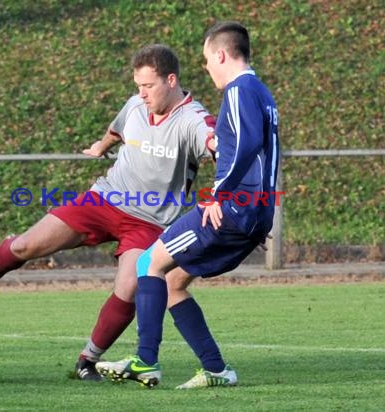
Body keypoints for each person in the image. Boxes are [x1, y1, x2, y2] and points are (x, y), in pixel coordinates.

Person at [0, 44, 216, 382]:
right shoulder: (136, 105)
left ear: (171, 80)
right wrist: (100, 146)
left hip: (151, 222)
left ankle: (87, 360)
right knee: (25, 245)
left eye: (148, 86)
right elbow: (117, 129)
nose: (141, 94)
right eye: (137, 86)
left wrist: (218, 194)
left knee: (130, 286)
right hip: (103, 201)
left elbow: (221, 147)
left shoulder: (193, 120)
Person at [95, 21, 280, 389]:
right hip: (252, 210)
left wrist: (220, 194)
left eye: (207, 60)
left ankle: (145, 361)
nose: (207, 68)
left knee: (149, 262)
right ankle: (216, 370)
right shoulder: (262, 93)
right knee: (173, 282)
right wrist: (256, 216)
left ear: (221, 54)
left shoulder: (240, 90)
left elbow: (242, 148)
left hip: (232, 207)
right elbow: (261, 155)